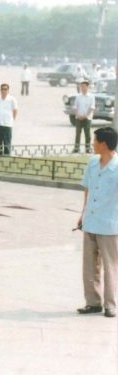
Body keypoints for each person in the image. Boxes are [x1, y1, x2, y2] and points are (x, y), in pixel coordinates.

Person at [76, 127, 118, 318]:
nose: (92, 144)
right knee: (90, 265)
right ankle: (93, 302)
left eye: (95, 141)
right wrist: (82, 214)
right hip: (91, 221)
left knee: (110, 267)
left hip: (110, 224)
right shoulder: (92, 163)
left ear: (104, 144)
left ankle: (111, 305)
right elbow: (87, 190)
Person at [0, 83, 18, 156]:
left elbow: (15, 110)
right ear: (0, 90)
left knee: (7, 141)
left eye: (5, 89)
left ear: (8, 90)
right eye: (2, 89)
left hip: (7, 124)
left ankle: (7, 157)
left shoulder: (12, 99)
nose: (4, 91)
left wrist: (12, 119)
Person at [72, 81, 96, 153]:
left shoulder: (91, 96)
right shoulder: (78, 96)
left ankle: (87, 148)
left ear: (87, 87)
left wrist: (86, 115)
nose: (82, 88)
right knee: (78, 133)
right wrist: (78, 115)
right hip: (78, 118)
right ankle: (76, 148)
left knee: (87, 133)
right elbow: (75, 107)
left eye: (84, 86)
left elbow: (92, 107)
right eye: (81, 86)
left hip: (87, 118)